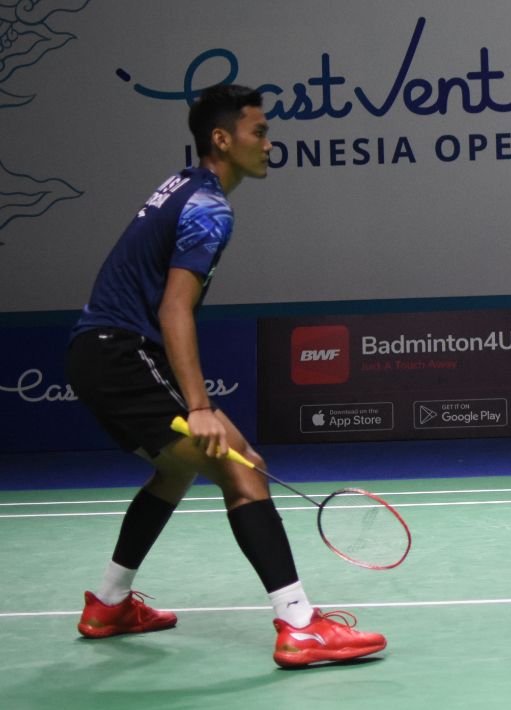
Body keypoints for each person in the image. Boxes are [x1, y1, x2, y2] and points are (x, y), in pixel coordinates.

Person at [65, 84, 387, 668]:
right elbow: (173, 309)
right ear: (222, 138)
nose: (269, 143)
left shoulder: (182, 186)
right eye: (258, 132)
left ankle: (109, 604)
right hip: (120, 351)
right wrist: (200, 405)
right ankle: (299, 626)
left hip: (97, 352)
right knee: (248, 473)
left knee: (174, 474)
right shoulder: (210, 207)